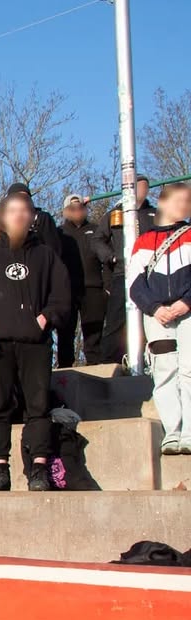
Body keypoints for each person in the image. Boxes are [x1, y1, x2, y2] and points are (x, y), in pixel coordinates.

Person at [0, 191, 73, 491]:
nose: (20, 215)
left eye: (25, 210)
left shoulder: (46, 255)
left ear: (32, 216)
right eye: (13, 211)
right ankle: (0, 469)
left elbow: (62, 296)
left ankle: (39, 467)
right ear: (2, 218)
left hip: (34, 344)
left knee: (37, 406)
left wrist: (45, 318)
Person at [128, 183, 191, 455]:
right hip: (157, 317)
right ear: (162, 203)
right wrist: (154, 308)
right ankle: (172, 430)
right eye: (178, 200)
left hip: (187, 312)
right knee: (165, 372)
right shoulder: (144, 242)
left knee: (189, 370)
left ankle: (190, 430)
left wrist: (185, 303)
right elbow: (134, 283)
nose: (183, 205)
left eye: (187, 201)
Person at [95, 174, 157, 364]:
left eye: (145, 187)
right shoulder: (115, 214)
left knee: (150, 318)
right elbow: (97, 240)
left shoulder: (154, 214)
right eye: (138, 186)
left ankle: (149, 359)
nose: (142, 191)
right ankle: (109, 363)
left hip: (151, 275)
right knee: (116, 320)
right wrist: (112, 257)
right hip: (123, 273)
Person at [60, 194, 108, 366]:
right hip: (68, 290)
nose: (77, 211)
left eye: (80, 207)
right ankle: (65, 366)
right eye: (72, 209)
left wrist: (106, 286)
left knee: (93, 330)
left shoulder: (96, 229)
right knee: (66, 331)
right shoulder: (59, 233)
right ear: (65, 211)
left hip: (93, 287)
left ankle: (95, 364)